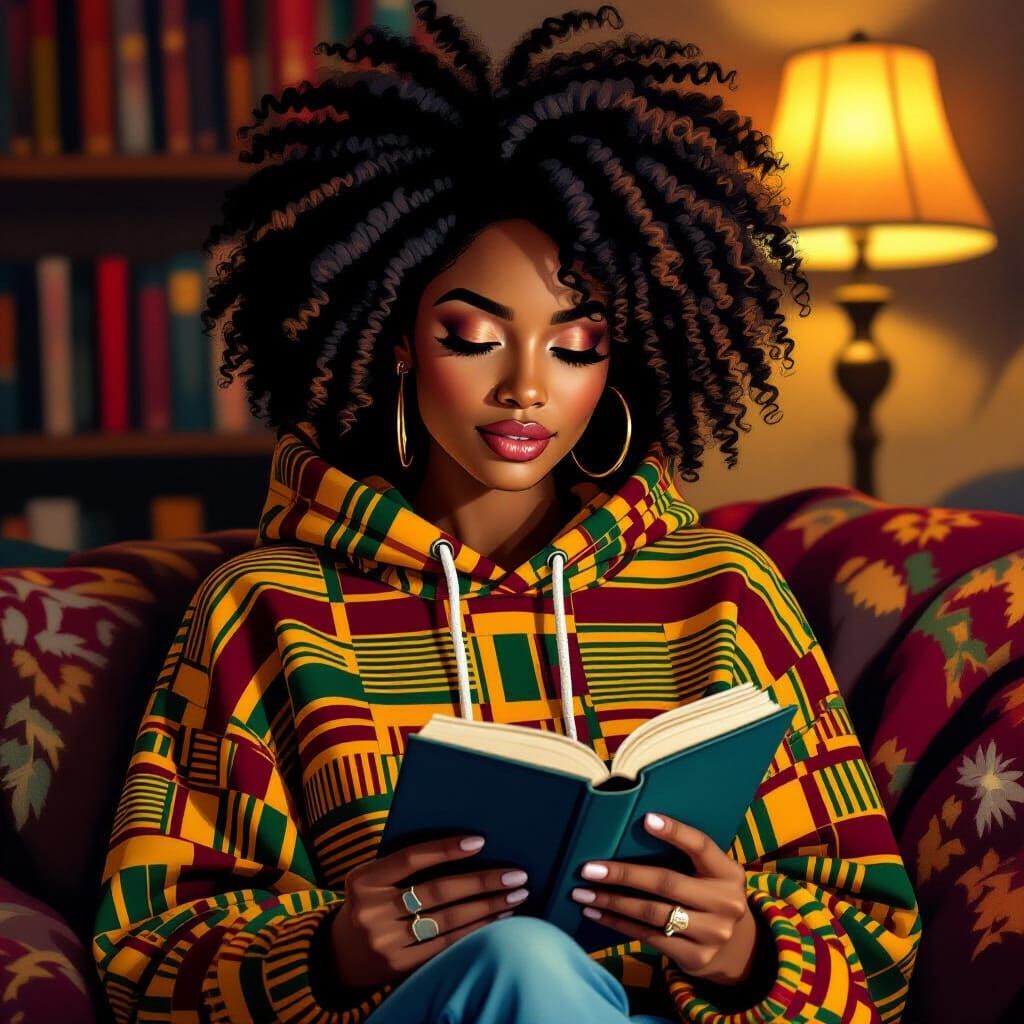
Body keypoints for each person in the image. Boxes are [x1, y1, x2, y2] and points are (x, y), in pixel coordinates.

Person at [92, 4, 922, 1022]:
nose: (526, 387)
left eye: (575, 346)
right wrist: (334, 950)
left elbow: (879, 946)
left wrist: (744, 950)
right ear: (395, 340)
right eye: (472, 335)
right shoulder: (268, 608)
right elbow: (143, 957)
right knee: (522, 962)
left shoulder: (722, 593)